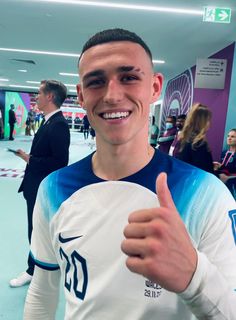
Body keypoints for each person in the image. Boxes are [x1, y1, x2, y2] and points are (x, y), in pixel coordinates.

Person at [24, 29, 236, 319]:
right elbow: (42, 291)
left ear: (154, 87)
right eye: (96, 82)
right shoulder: (53, 189)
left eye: (129, 77)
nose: (112, 95)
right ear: (82, 96)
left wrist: (193, 276)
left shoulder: (207, 196)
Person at [9, 80, 70, 288]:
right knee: (36, 229)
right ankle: (39, 267)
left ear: (50, 97)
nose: (36, 97)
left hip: (42, 188)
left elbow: (60, 162)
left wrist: (29, 159)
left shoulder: (59, 124)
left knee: (36, 229)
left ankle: (33, 269)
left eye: (39, 93)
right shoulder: (49, 121)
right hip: (35, 185)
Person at [175, 103, 214, 173]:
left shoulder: (184, 139)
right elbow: (203, 172)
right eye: (208, 120)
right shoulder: (198, 143)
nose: (209, 123)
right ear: (202, 121)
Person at [214, 128, 236, 198]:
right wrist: (217, 167)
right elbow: (223, 168)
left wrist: (228, 178)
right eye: (228, 136)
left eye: (232, 137)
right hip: (222, 187)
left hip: (233, 187)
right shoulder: (224, 152)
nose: (229, 138)